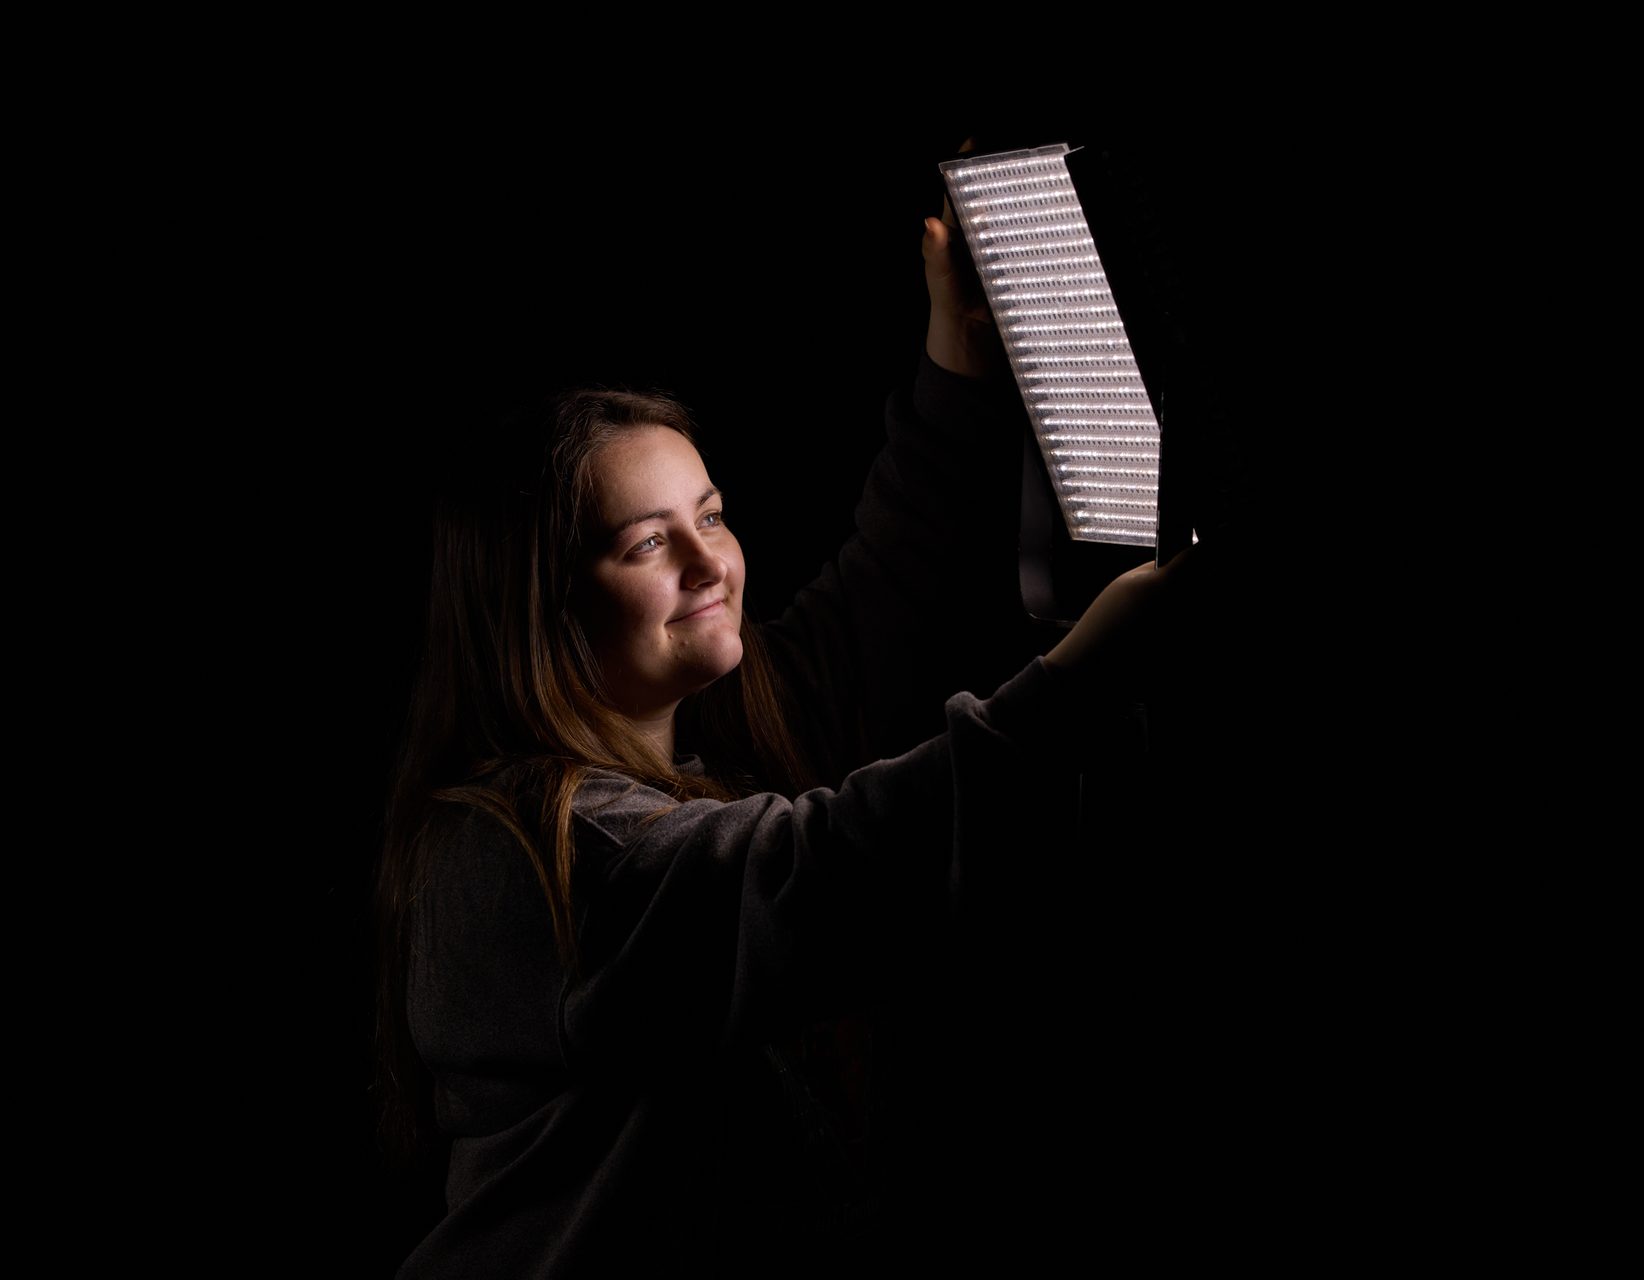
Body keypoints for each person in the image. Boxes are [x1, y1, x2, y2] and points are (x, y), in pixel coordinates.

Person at [374, 199, 1214, 1273]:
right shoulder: (520, 856)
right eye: (647, 542)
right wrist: (1081, 679)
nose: (710, 561)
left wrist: (953, 364)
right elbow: (834, 869)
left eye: (712, 514)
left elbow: (880, 588)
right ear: (538, 605)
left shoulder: (697, 735)